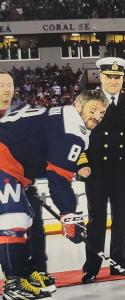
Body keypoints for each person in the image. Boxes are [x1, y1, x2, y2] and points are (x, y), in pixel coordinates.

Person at [0, 90, 108, 299]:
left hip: (12, 166)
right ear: (79, 106)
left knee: (26, 218)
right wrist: (69, 214)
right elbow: (57, 179)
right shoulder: (72, 129)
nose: (97, 116)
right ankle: (13, 283)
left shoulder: (63, 117)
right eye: (92, 110)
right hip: (5, 163)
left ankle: (23, 274)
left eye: (102, 113)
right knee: (14, 218)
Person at [77, 57, 125, 284]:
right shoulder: (88, 100)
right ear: (101, 77)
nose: (115, 81)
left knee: (121, 220)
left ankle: (119, 264)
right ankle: (91, 267)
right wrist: (82, 163)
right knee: (96, 221)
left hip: (123, 172)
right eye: (110, 77)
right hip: (96, 172)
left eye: (119, 77)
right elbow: (76, 133)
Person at [0, 70, 55, 294]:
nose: (6, 88)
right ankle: (13, 282)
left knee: (29, 224)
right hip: (3, 178)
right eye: (1, 84)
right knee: (12, 223)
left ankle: (24, 274)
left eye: (10, 84)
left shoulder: (25, 111)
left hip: (22, 179)